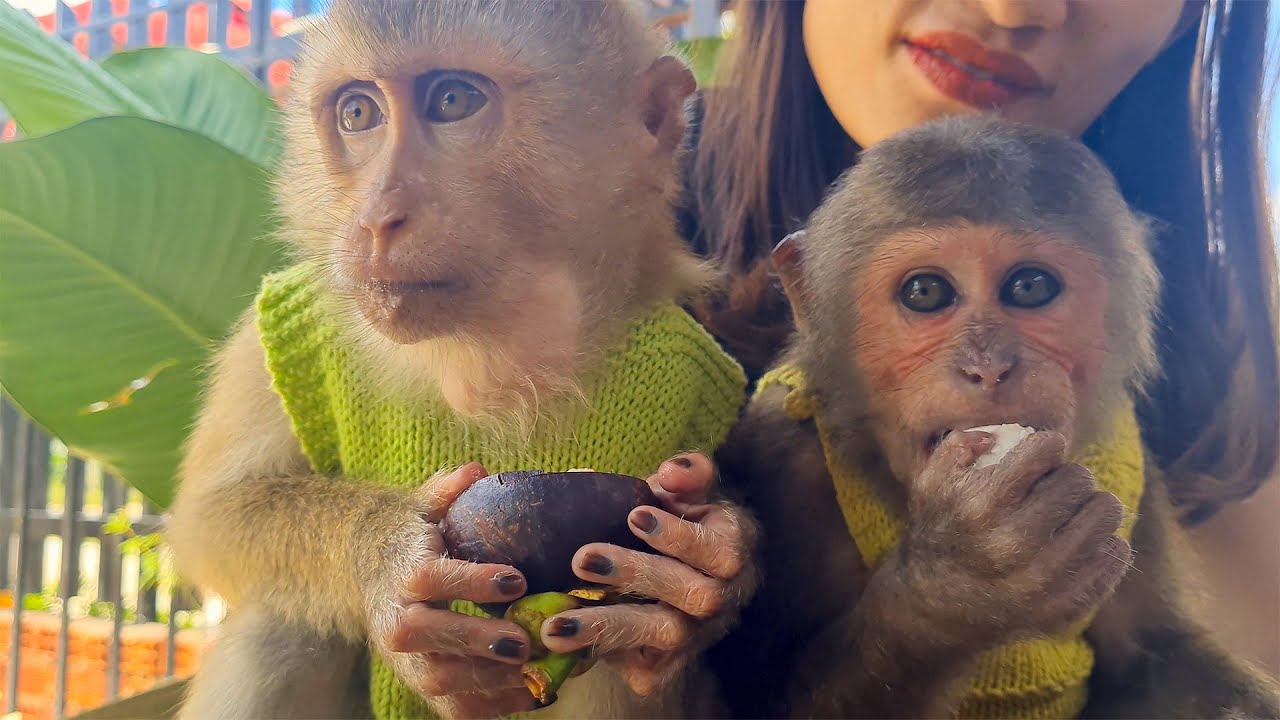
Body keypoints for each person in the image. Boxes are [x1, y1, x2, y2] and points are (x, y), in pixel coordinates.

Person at [677, 0, 1280, 678]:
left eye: (1031, 289)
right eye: (925, 294)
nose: (1013, 8)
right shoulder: (598, 217)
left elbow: (1156, 655)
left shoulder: (1220, 343)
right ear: (807, 296)